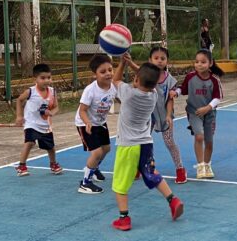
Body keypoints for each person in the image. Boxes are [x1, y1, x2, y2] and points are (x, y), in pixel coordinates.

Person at [111, 57, 183, 231]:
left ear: (136, 79)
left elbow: (115, 80)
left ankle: (124, 218)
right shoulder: (154, 94)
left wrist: (123, 63)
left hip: (128, 145)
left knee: (119, 183)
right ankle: (172, 199)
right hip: (146, 143)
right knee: (150, 172)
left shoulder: (128, 93)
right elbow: (148, 78)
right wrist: (136, 67)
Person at [124, 46, 188, 184]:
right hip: (148, 116)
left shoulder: (169, 79)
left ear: (167, 61)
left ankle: (180, 169)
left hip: (165, 115)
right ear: (150, 60)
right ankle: (139, 167)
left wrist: (169, 115)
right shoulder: (147, 76)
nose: (159, 61)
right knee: (141, 142)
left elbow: (170, 99)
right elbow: (139, 70)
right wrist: (129, 62)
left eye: (163, 58)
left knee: (170, 143)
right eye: (156, 58)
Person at [176, 49, 224, 179]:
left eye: (203, 62)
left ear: (210, 63)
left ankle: (207, 164)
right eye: (197, 62)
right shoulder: (190, 77)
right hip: (194, 112)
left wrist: (208, 107)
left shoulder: (214, 80)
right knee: (199, 137)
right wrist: (176, 92)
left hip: (209, 114)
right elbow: (183, 89)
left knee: (209, 142)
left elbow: (218, 98)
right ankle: (200, 165)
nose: (199, 64)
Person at [75, 54, 117, 194]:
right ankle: (85, 183)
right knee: (97, 152)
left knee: (106, 149)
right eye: (103, 71)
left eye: (110, 70)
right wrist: (87, 123)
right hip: (85, 123)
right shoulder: (90, 90)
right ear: (95, 74)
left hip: (100, 122)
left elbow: (121, 100)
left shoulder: (113, 87)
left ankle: (94, 168)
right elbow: (82, 111)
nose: (108, 73)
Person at [14, 63, 63, 177]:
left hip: (44, 125)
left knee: (50, 147)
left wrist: (51, 112)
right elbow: (19, 100)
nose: (46, 80)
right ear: (35, 79)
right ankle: (22, 165)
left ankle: (53, 164)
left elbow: (56, 107)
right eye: (43, 78)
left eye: (48, 77)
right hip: (31, 123)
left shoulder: (52, 92)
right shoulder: (30, 91)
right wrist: (19, 116)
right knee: (29, 142)